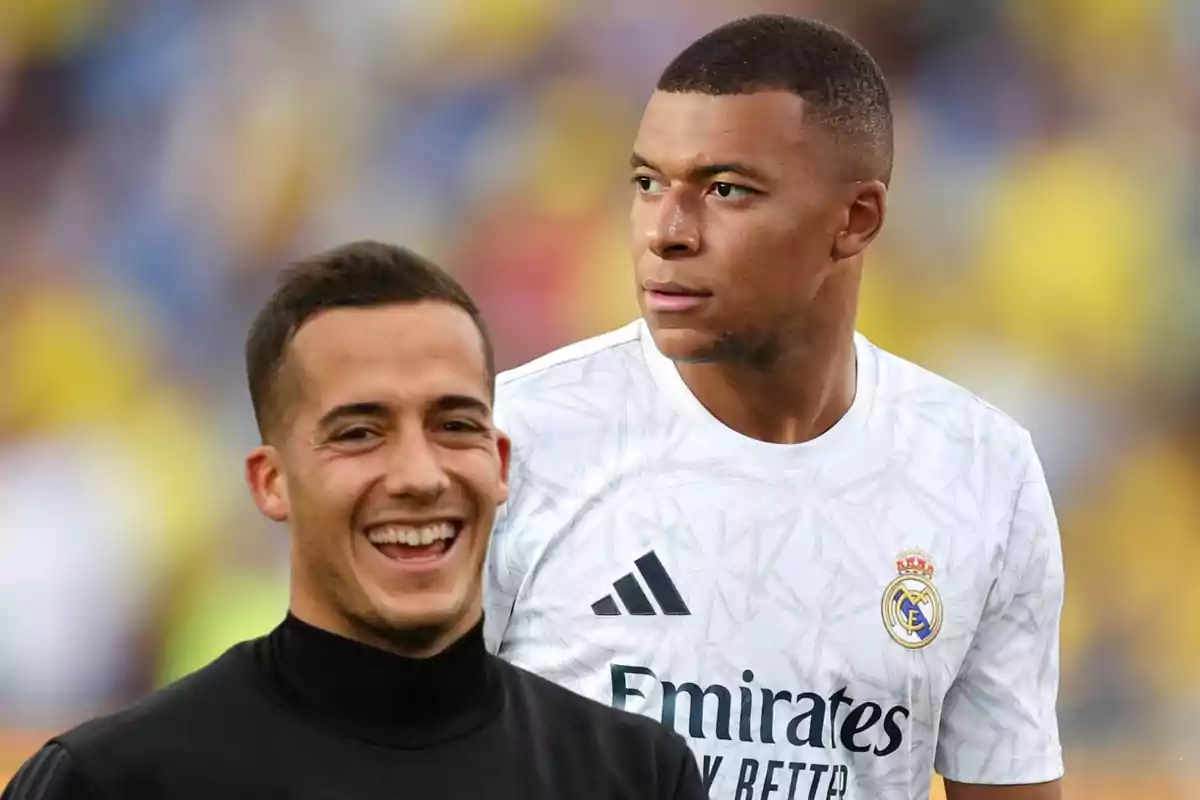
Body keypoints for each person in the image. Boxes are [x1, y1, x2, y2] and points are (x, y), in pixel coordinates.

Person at [484, 14, 1064, 800]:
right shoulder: (513, 441)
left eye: (726, 190)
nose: (666, 232)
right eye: (648, 183)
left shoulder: (982, 470)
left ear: (855, 220)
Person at [3, 242, 706, 800]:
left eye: (453, 424)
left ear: (498, 463)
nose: (419, 476)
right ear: (271, 483)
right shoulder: (113, 783)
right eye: (360, 433)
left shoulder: (634, 777)